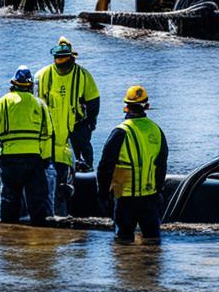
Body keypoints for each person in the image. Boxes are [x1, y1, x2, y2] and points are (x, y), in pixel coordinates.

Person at [0, 66, 54, 226]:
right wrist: (45, 160)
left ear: (12, 84)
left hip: (9, 160)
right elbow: (47, 135)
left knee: (9, 199)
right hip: (34, 160)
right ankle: (40, 238)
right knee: (37, 201)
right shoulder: (40, 105)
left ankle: (7, 239)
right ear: (30, 86)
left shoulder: (1, 104)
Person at [35, 36, 101, 216]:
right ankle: (56, 209)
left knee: (82, 168)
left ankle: (81, 200)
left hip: (76, 130)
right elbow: (35, 105)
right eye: (58, 58)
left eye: (64, 58)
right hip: (49, 134)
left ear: (72, 57)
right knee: (51, 175)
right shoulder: (42, 76)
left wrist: (89, 123)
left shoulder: (83, 75)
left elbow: (93, 101)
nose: (61, 62)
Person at [96, 86, 169, 244]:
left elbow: (105, 167)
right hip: (150, 199)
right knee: (153, 246)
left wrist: (102, 194)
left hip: (125, 200)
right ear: (147, 107)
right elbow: (161, 166)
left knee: (122, 245)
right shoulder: (156, 130)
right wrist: (158, 192)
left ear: (126, 107)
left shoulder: (120, 132)